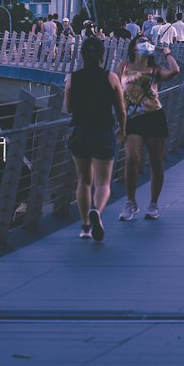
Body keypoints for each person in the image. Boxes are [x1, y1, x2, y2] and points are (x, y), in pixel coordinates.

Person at [64, 35, 127, 241]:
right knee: (103, 182)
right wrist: (123, 129)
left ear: (82, 55)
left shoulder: (72, 78)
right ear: (102, 55)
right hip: (103, 131)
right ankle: (97, 212)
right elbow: (121, 109)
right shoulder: (111, 78)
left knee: (83, 180)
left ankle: (84, 227)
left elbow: (68, 108)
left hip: (80, 131)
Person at [118, 37, 180, 222]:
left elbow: (175, 71)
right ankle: (130, 202)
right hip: (132, 119)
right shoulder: (123, 66)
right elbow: (116, 93)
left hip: (154, 116)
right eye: (141, 41)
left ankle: (153, 204)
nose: (145, 44)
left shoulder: (156, 69)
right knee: (131, 159)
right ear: (133, 47)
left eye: (147, 41)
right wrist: (119, 123)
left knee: (155, 161)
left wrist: (167, 53)